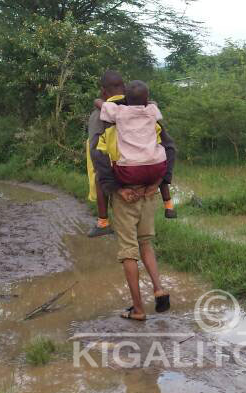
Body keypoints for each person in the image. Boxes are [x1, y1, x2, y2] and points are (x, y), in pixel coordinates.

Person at [89, 71, 172, 321]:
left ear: (104, 91)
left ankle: (137, 309)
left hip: (126, 192)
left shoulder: (108, 119)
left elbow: (99, 158)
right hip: (149, 189)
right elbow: (167, 148)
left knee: (128, 251)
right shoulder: (151, 117)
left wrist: (116, 189)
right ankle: (159, 288)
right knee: (145, 243)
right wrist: (158, 182)